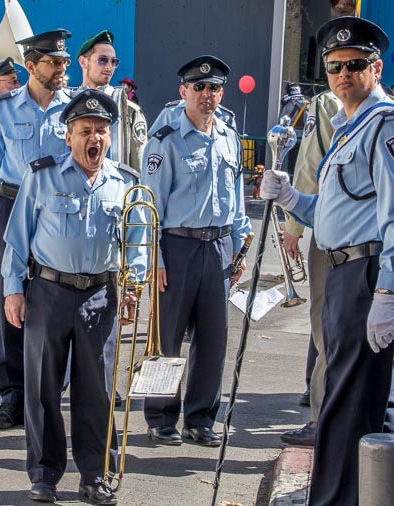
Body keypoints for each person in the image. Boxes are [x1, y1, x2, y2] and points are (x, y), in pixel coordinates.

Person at [261, 17, 394, 505]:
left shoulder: (388, 124)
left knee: (345, 400)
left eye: (354, 65)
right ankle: (385, 491)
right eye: (334, 67)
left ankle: (333, 498)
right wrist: (292, 198)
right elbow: (336, 212)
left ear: (376, 67)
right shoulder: (349, 125)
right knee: (374, 398)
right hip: (341, 270)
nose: (342, 74)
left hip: (367, 274)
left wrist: (386, 293)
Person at [1, 88, 142, 505]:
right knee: (43, 388)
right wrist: (13, 290)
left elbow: (135, 242)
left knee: (96, 390)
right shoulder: (41, 175)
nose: (93, 138)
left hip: (100, 294)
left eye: (101, 130)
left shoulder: (125, 182)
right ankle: (43, 474)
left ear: (110, 137)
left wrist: (132, 288)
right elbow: (16, 240)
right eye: (85, 130)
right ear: (68, 136)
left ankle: (94, 476)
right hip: (48, 292)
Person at [141, 55, 251, 447]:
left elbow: (236, 198)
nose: (207, 95)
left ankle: (201, 417)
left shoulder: (229, 137)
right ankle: (160, 417)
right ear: (182, 91)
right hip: (178, 244)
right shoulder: (166, 139)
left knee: (213, 338)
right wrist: (153, 258)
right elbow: (149, 205)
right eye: (199, 87)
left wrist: (238, 248)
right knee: (166, 338)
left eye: (215, 88)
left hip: (219, 246)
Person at [0, 29, 73, 431]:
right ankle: (11, 395)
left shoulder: (77, 107)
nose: (62, 69)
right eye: (54, 62)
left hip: (60, 207)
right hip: (12, 205)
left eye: (64, 62)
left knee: (59, 297)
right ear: (30, 66)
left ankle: (52, 392)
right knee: (11, 299)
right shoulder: (1, 109)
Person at [278, 89, 339, 447]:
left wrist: (294, 224)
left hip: (332, 233)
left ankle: (321, 418)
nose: (342, 76)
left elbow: (309, 163)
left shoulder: (328, 103)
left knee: (325, 329)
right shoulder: (393, 111)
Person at [75, 30, 148, 174]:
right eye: (102, 60)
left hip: (115, 190)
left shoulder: (129, 110)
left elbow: (139, 166)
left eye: (113, 62)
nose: (109, 67)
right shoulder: (66, 105)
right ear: (83, 61)